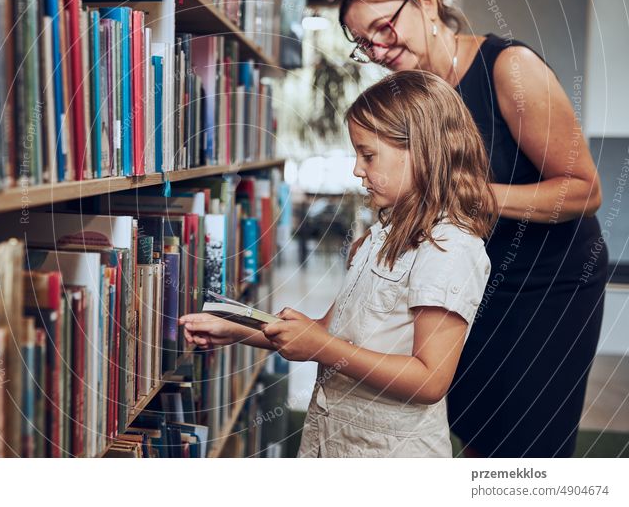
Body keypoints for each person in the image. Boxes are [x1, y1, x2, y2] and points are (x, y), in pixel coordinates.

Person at [337, 0, 607, 457]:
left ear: (426, 1)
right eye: (363, 43)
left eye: (384, 28)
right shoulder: (414, 96)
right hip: (468, 284)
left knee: (528, 445)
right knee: (471, 427)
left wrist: (475, 196)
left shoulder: (509, 69)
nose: (378, 50)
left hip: (547, 286)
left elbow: (585, 190)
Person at [180, 70, 496, 457]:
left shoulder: (448, 248)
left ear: (424, 151)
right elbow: (327, 333)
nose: (357, 169)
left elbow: (429, 379)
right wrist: (238, 330)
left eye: (368, 155)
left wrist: (324, 348)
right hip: (334, 441)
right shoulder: (380, 236)